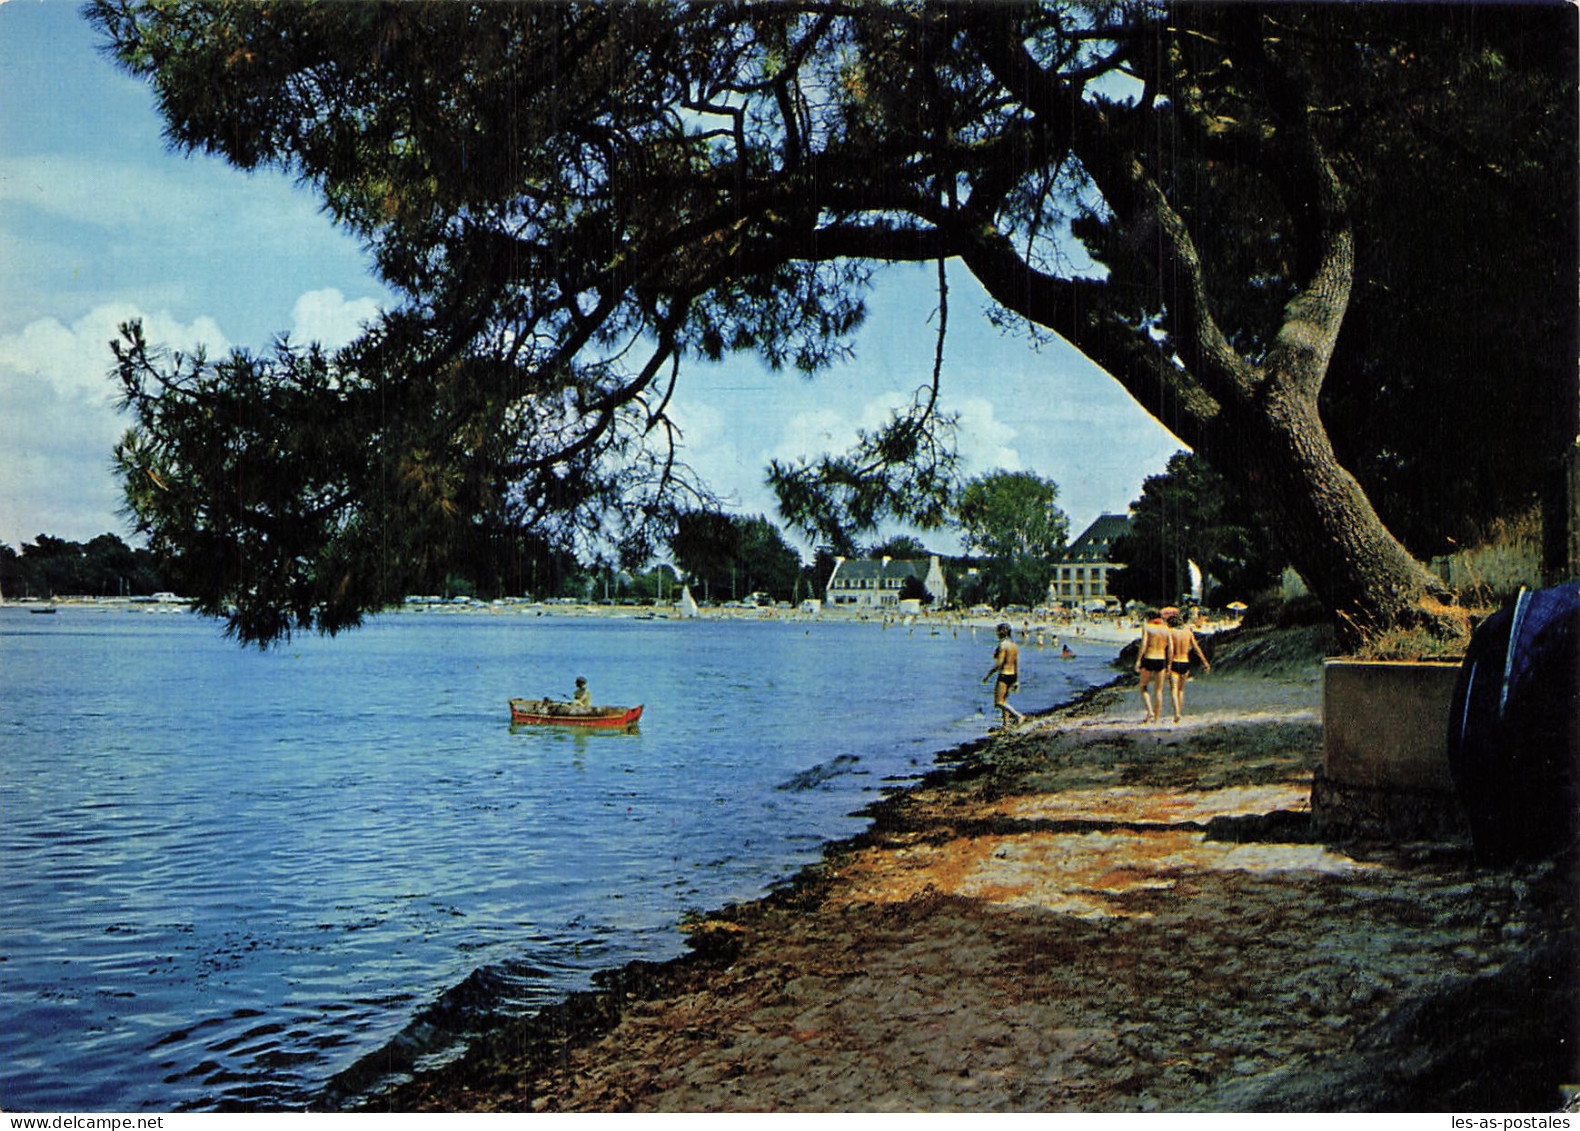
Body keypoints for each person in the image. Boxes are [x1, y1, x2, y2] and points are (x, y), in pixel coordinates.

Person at [1166, 611, 1211, 723]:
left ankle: (1176, 713)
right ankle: (1179, 712)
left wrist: (1168, 664)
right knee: (1181, 690)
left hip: (1175, 662)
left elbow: (1171, 650)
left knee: (1173, 690)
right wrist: (1205, 662)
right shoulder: (1188, 632)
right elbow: (1196, 648)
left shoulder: (1171, 632)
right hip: (1185, 662)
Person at [982, 622, 1025, 729]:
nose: (996, 633)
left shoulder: (1003, 645)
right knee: (1004, 701)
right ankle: (1005, 725)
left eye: (997, 631)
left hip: (1004, 674)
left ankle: (1018, 716)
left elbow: (999, 663)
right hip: (1012, 675)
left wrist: (988, 675)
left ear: (1001, 632)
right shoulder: (1014, 645)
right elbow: (1016, 663)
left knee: (998, 702)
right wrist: (1017, 680)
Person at [1136, 609, 1172, 724]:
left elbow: (1144, 644)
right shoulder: (1166, 629)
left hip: (1149, 658)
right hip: (1161, 659)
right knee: (1158, 690)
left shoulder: (1147, 627)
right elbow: (1170, 648)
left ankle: (1149, 711)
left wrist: (1138, 660)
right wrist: (1169, 663)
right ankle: (1156, 718)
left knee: (1143, 686)